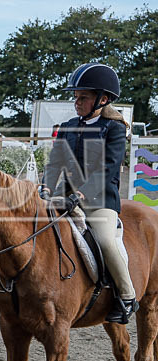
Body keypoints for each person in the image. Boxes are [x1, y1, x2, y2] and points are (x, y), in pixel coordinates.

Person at [39, 62, 135, 323]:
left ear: (102, 100)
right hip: (65, 196)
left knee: (105, 240)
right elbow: (55, 162)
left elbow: (107, 169)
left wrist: (80, 195)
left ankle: (126, 296)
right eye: (75, 97)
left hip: (100, 200)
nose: (77, 102)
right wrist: (46, 186)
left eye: (83, 97)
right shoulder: (68, 126)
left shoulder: (114, 129)